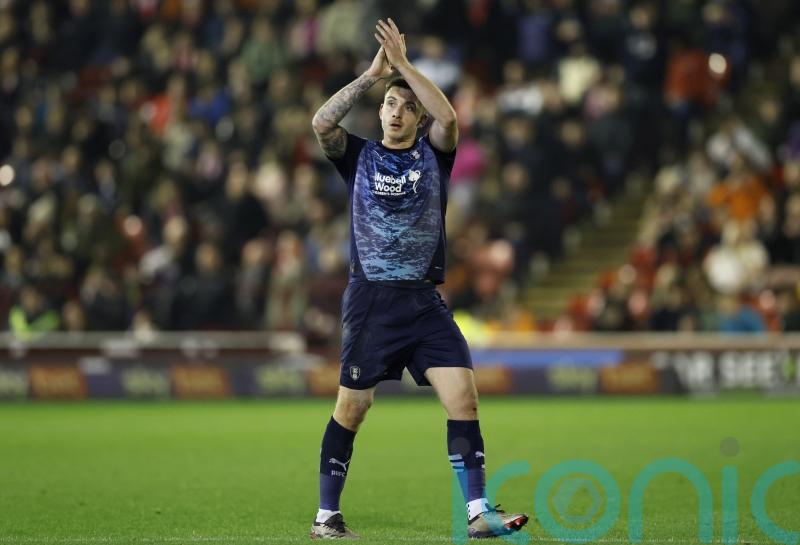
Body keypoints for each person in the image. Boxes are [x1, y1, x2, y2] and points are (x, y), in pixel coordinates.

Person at [309, 19, 529, 540]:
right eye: (391, 103)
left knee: (464, 400)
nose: (397, 111)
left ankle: (477, 513)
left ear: (417, 116)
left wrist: (406, 68)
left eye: (408, 105)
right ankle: (326, 516)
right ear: (380, 112)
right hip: (372, 302)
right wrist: (372, 75)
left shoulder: (435, 154)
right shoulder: (359, 156)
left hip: (425, 305)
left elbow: (450, 117)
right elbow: (321, 123)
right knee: (353, 408)